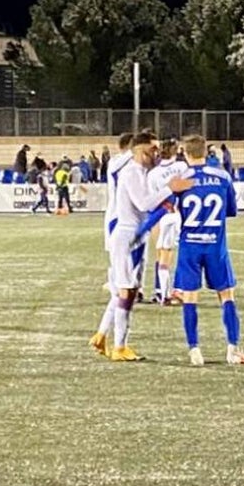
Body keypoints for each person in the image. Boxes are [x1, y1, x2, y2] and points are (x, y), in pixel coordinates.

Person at [104, 131, 193, 362]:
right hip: (125, 235)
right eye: (152, 149)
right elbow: (143, 203)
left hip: (134, 234)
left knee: (128, 290)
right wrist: (171, 188)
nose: (156, 152)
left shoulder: (143, 172)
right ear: (139, 151)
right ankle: (119, 347)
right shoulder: (132, 172)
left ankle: (106, 338)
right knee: (125, 290)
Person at [173, 134, 244, 366]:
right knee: (226, 295)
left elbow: (170, 206)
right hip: (216, 245)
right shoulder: (222, 176)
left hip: (189, 245)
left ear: (185, 154)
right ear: (206, 153)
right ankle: (232, 349)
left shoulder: (181, 179)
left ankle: (195, 351)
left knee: (190, 297)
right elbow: (231, 211)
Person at [90, 133, 133, 357]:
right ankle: (118, 345)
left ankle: (102, 335)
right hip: (121, 227)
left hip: (120, 226)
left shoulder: (122, 164)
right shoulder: (121, 163)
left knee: (121, 289)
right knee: (124, 290)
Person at [147, 139, 190, 305]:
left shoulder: (153, 174)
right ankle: (172, 293)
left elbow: (152, 199)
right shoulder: (182, 167)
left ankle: (162, 292)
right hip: (178, 214)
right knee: (176, 253)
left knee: (162, 254)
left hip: (162, 215)